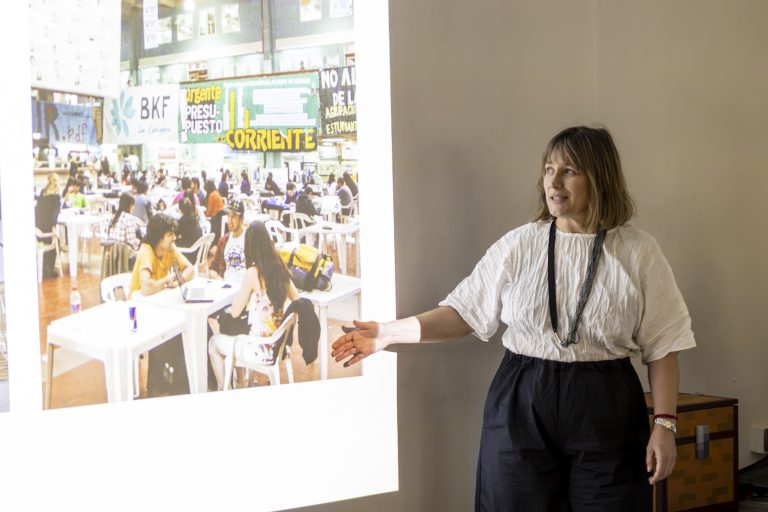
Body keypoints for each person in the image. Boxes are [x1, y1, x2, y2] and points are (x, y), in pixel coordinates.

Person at [332, 126, 696, 510]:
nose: (553, 181)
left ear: (600, 177)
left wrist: (665, 426)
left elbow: (664, 347)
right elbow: (464, 312)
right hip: (522, 400)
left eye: (569, 170)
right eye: (548, 168)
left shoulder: (638, 251)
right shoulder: (520, 244)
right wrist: (387, 333)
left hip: (605, 407)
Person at [208, 221, 300, 390]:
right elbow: (297, 300)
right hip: (279, 345)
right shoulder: (280, 268)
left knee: (214, 343)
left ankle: (223, 390)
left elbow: (235, 312)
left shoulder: (253, 273)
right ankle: (237, 383)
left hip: (259, 349)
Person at [129, 213, 199, 396]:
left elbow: (191, 269)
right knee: (171, 332)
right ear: (159, 236)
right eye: (170, 234)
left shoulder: (170, 249)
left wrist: (180, 278)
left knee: (180, 328)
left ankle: (171, 383)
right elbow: (145, 287)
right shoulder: (146, 251)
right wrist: (167, 281)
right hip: (135, 313)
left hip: (156, 306)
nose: (174, 238)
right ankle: (163, 384)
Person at [209, 199, 247, 283]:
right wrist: (217, 278)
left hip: (244, 288)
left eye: (233, 216)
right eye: (228, 216)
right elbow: (212, 269)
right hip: (225, 287)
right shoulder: (224, 240)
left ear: (241, 219)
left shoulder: (250, 238)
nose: (229, 220)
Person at [35, 174, 62, 278]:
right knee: (56, 242)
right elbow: (55, 213)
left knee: (50, 241)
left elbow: (37, 210)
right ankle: (49, 268)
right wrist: (53, 227)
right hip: (47, 229)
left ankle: (44, 266)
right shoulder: (56, 196)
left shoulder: (42, 193)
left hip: (38, 229)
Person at [176, 196, 203, 261]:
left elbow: (175, 233)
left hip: (190, 253)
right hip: (199, 251)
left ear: (180, 209)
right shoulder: (195, 217)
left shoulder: (182, 221)